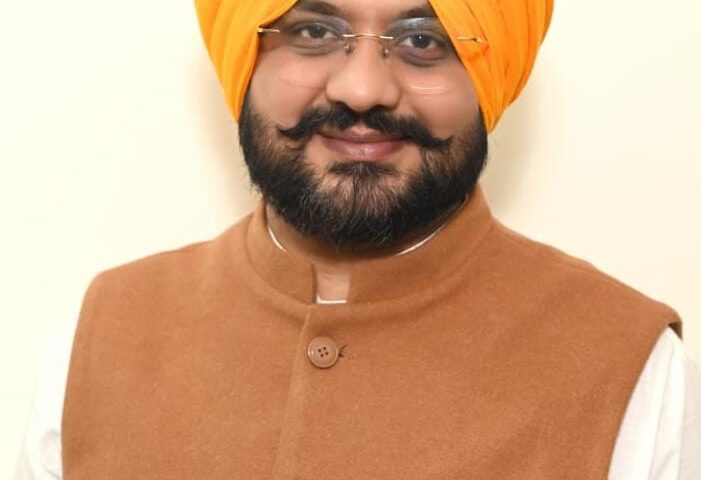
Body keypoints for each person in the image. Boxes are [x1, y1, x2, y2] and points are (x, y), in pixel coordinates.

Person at [16, 0, 701, 478]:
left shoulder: (626, 367)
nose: (363, 89)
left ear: (489, 75)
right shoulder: (101, 334)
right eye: (314, 31)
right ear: (245, 59)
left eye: (423, 40)